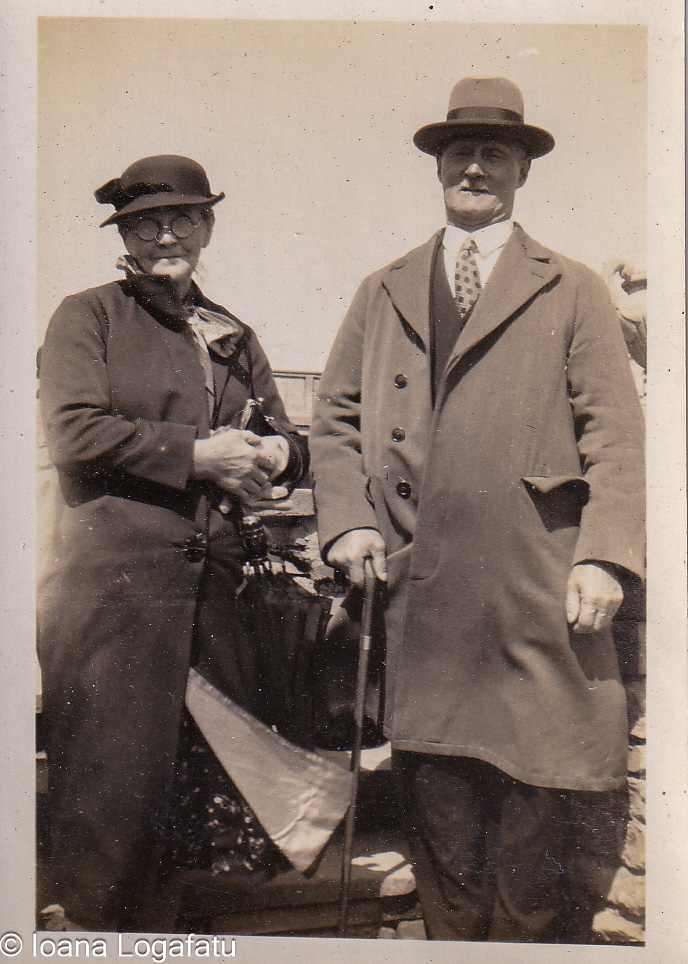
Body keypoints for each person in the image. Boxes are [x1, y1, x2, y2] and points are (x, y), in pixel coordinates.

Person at [310, 78, 645, 942]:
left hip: (530, 583)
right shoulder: (383, 286)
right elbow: (335, 417)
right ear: (438, 166)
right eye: (460, 151)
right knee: (440, 808)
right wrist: (347, 520)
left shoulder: (570, 288)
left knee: (534, 810)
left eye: (497, 152)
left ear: (523, 171)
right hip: (421, 588)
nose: (475, 166)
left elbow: (614, 432)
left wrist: (605, 554)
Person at [38, 155, 309, 931]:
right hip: (112, 606)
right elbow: (74, 432)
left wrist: (273, 457)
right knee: (107, 812)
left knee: (187, 822)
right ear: (123, 234)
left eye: (182, 219)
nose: (165, 234)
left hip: (213, 608)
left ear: (208, 226)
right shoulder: (87, 316)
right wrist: (200, 455)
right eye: (146, 222)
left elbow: (287, 435)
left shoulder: (231, 333)